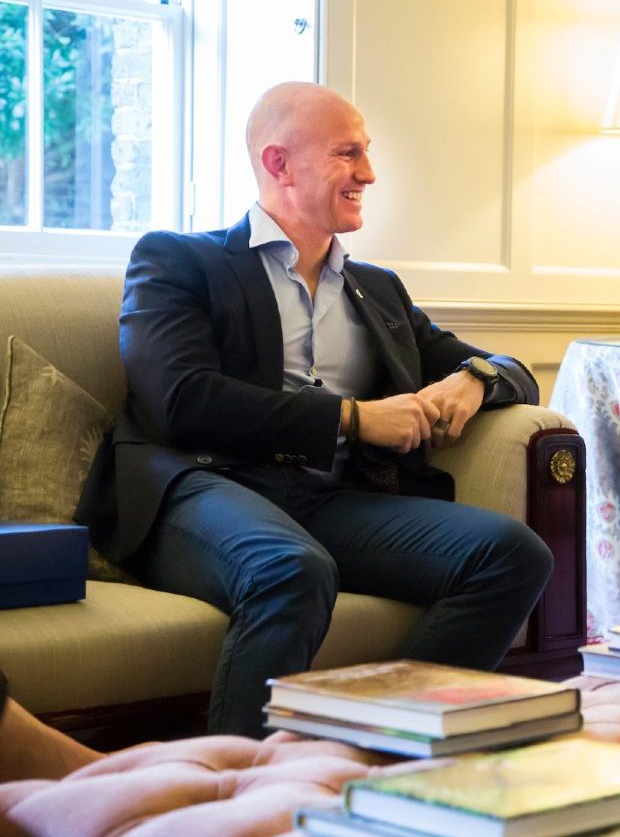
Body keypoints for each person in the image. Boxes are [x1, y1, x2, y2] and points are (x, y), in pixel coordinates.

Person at [75, 83, 554, 737]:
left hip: (327, 500)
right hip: (201, 487)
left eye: (367, 152)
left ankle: (375, 745)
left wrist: (473, 379)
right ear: (279, 165)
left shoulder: (377, 290)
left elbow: (508, 367)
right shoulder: (180, 260)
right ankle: (238, 790)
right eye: (347, 153)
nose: (369, 173)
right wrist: (352, 419)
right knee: (291, 570)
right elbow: (181, 400)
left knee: (512, 553)